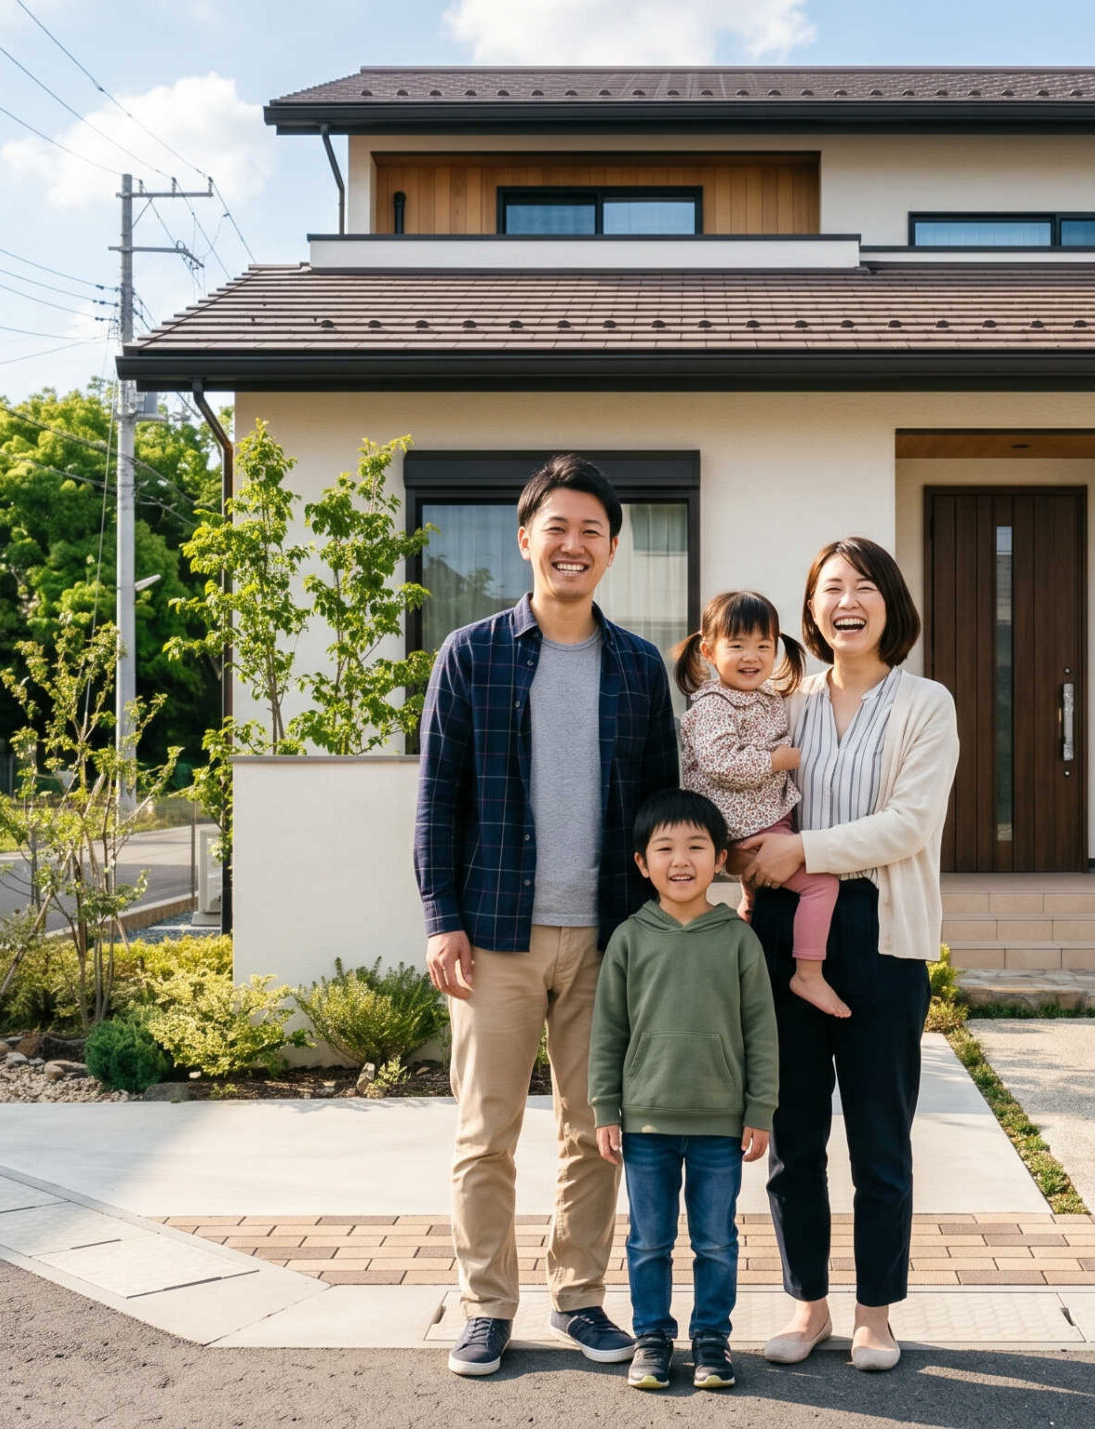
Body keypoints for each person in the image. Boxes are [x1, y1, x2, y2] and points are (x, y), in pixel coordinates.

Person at [414, 454, 680, 1378]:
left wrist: (660, 928)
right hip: (494, 936)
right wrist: (442, 916)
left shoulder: (639, 666)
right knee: (485, 1132)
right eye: (556, 528)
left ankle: (579, 1297)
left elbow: (660, 811)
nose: (573, 544)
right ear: (526, 539)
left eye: (590, 531)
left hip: (608, 937)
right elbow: (437, 799)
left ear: (612, 549)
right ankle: (486, 1306)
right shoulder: (472, 654)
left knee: (594, 1128)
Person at [733, 536, 958, 1374]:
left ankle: (874, 1314)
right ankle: (809, 1304)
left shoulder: (925, 703)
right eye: (830, 588)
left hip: (881, 934)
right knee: (794, 1134)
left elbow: (910, 823)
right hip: (783, 928)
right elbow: (742, 788)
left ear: (891, 603)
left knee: (878, 1137)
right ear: (812, 609)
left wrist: (804, 850)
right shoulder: (783, 700)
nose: (846, 601)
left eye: (863, 586)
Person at [590, 789, 778, 1392]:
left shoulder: (738, 939)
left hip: (721, 1125)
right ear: (642, 863)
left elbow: (761, 1031)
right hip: (646, 1123)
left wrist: (760, 1109)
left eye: (696, 847)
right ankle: (651, 1339)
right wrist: (605, 1108)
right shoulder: (629, 938)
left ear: (719, 859)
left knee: (716, 1240)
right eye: (665, 848)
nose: (681, 860)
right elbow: (608, 1031)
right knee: (649, 1240)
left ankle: (711, 1340)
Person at [671, 590, 850, 1019]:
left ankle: (741, 956)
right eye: (737, 645)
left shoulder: (769, 695)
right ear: (709, 651)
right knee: (822, 886)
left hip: (767, 821)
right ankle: (808, 973)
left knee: (754, 900)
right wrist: (776, 761)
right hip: (744, 827)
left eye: (763, 645)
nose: (751, 656)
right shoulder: (714, 704)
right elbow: (720, 762)